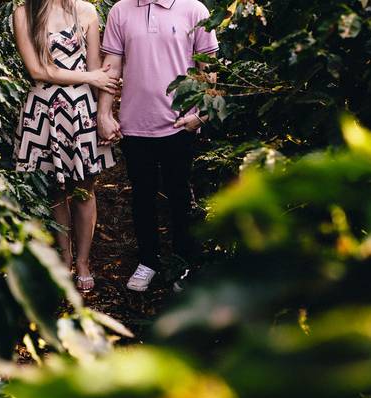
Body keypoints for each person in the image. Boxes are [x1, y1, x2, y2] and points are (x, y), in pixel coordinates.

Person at [97, 0, 218, 292]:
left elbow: (209, 68)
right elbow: (111, 68)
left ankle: (182, 263)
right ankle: (148, 261)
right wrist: (104, 113)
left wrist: (201, 116)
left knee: (179, 195)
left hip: (180, 124)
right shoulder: (121, 10)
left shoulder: (194, 9)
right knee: (142, 196)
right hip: (136, 124)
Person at [13, 0, 117, 292]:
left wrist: (104, 115)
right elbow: (37, 70)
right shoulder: (24, 12)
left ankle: (83, 261)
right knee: (55, 189)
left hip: (79, 109)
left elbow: (98, 68)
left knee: (84, 189)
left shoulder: (85, 11)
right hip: (43, 109)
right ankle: (64, 258)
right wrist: (89, 77)